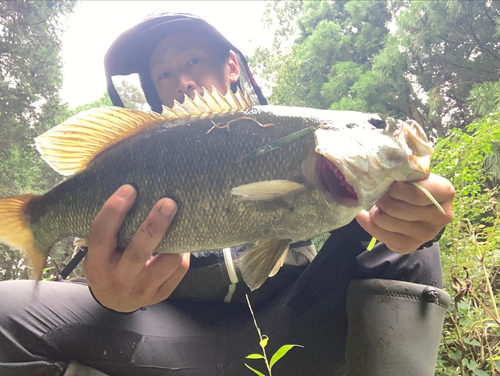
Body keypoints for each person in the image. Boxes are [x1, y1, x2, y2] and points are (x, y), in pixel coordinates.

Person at [0, 13, 454, 376]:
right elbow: (99, 272)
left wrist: (413, 218)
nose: (182, 81)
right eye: (163, 74)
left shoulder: (298, 136)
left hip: (291, 329)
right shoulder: (142, 156)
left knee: (410, 248)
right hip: (165, 343)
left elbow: (390, 229)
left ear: (232, 66)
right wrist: (109, 293)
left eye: (193, 61)